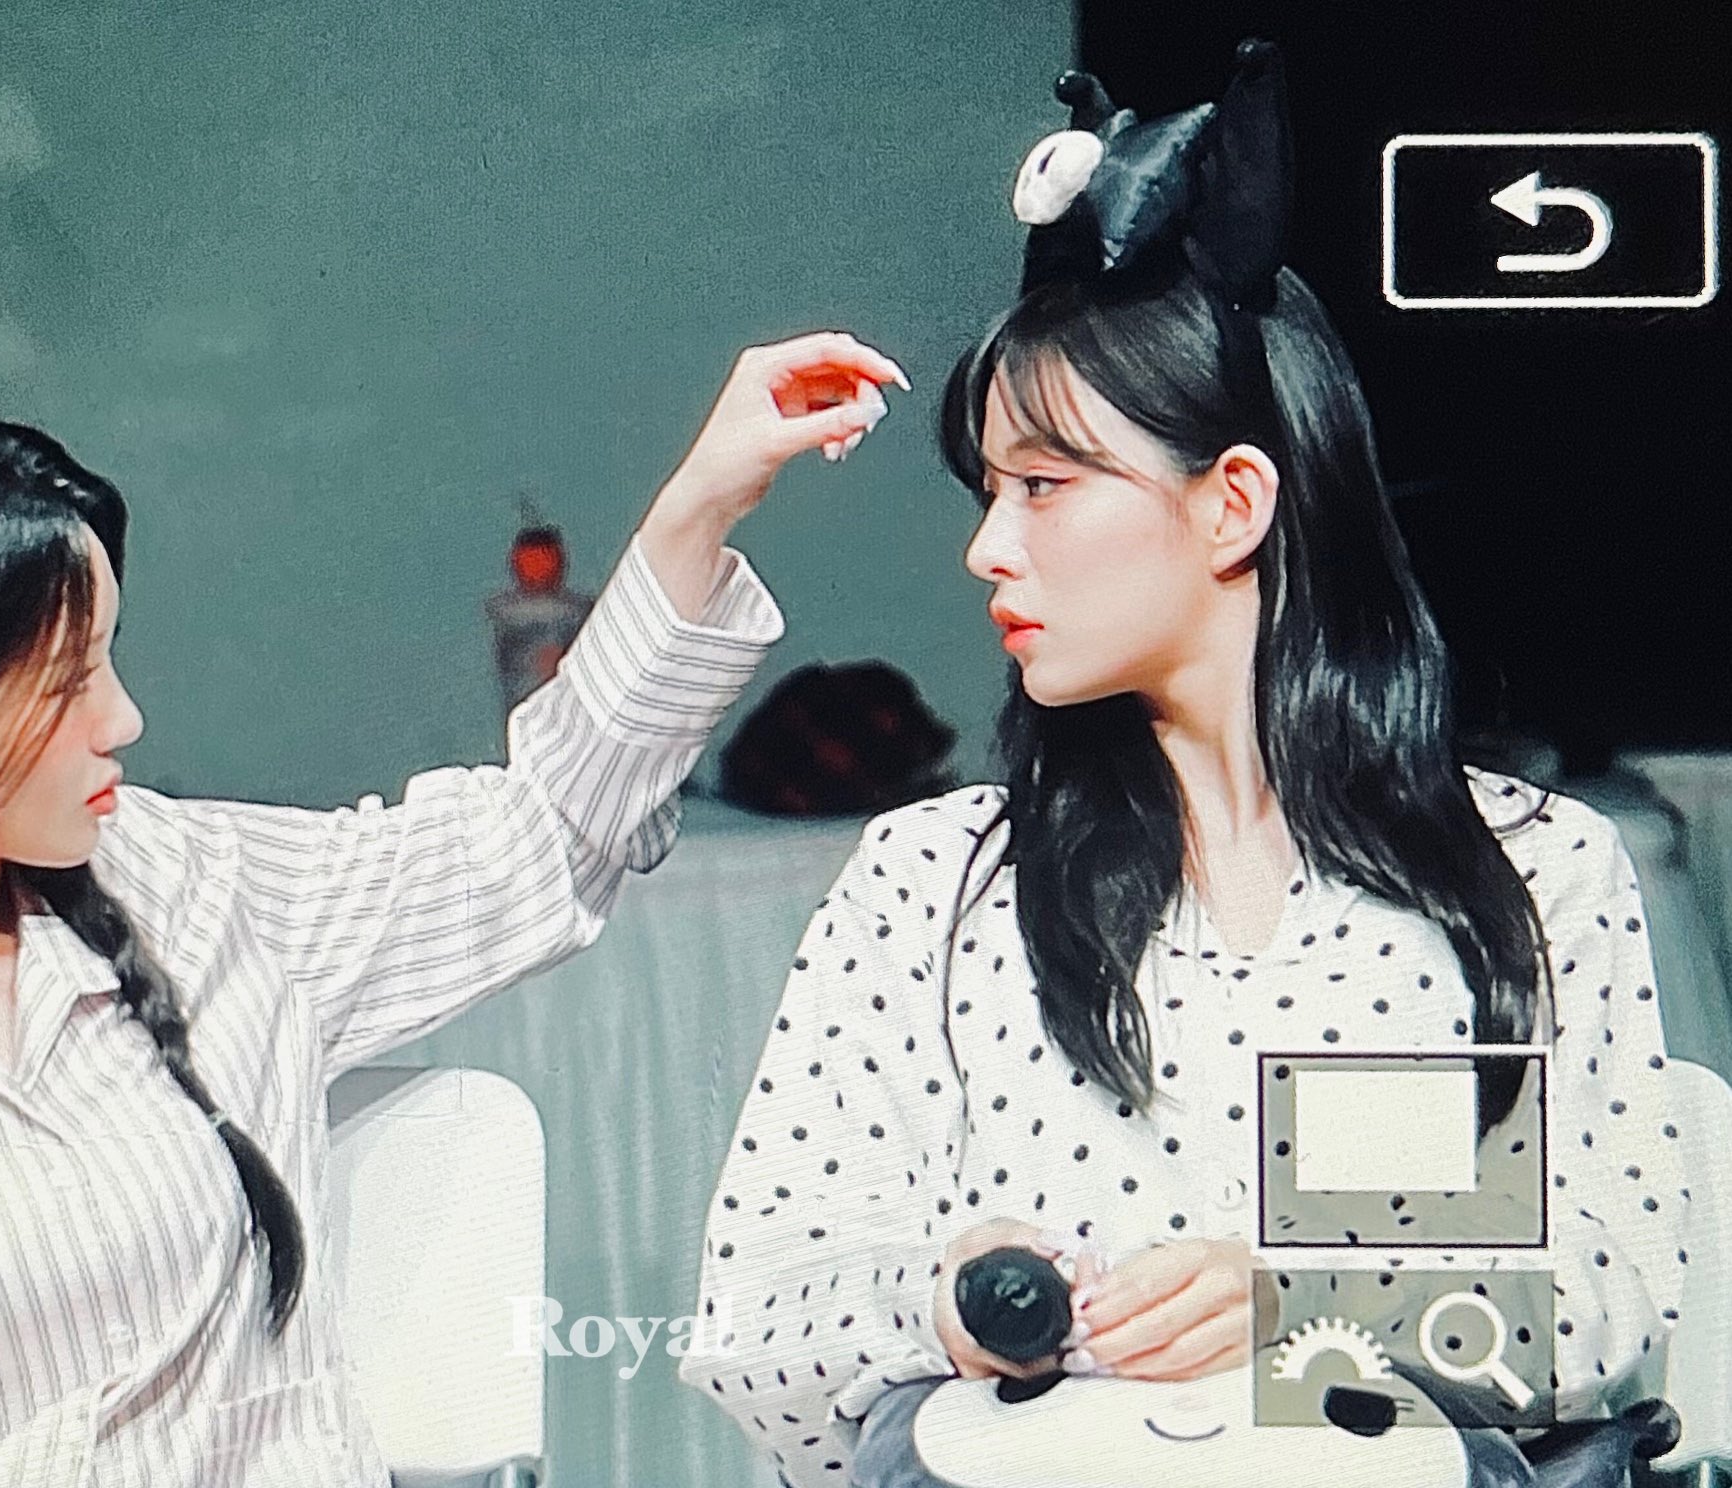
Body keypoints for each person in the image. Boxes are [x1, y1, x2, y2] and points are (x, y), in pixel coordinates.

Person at [0, 331, 906, 1488]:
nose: (123, 719)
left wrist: (696, 509)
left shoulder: (191, 891)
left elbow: (533, 839)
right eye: (67, 681)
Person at [681, 45, 1690, 1488]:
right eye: (988, 492)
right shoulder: (932, 883)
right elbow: (754, 1326)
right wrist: (950, 1300)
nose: (989, 547)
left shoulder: (1528, 872)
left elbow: (1610, 1298)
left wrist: (1300, 1300)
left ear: (1233, 505)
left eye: (1044, 486)